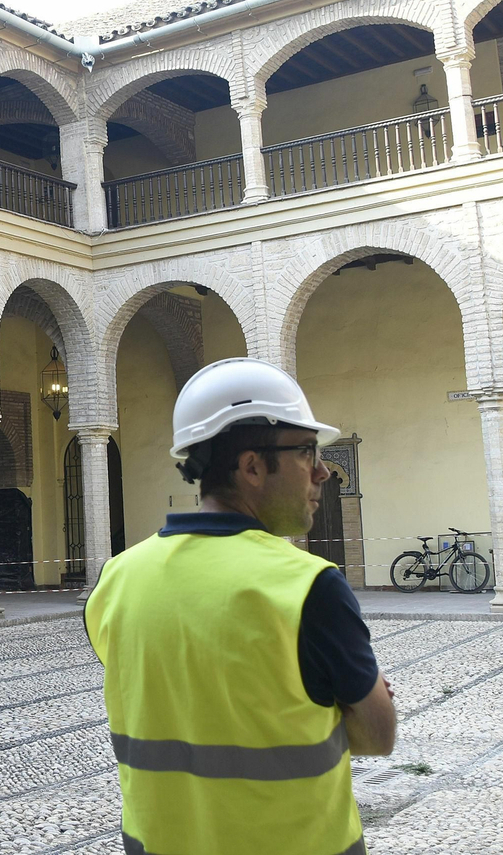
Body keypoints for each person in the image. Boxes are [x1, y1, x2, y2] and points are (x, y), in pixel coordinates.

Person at [84, 358, 396, 855]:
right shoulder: (309, 586)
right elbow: (378, 735)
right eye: (306, 451)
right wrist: (353, 700)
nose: (321, 471)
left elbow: (181, 694)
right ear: (252, 466)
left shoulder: (117, 579)